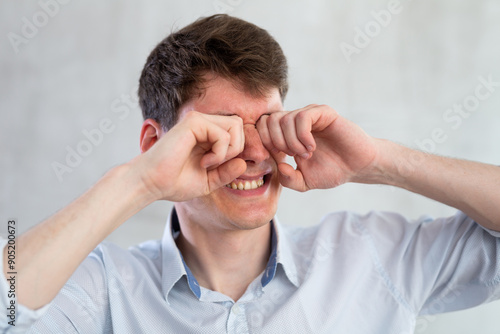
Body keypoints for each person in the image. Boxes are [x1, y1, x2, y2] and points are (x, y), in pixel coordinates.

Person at [2, 14, 499, 334]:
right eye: (220, 133)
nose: (256, 153)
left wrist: (378, 162)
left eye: (266, 124)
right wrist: (139, 181)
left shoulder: (372, 256)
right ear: (157, 144)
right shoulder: (106, 289)